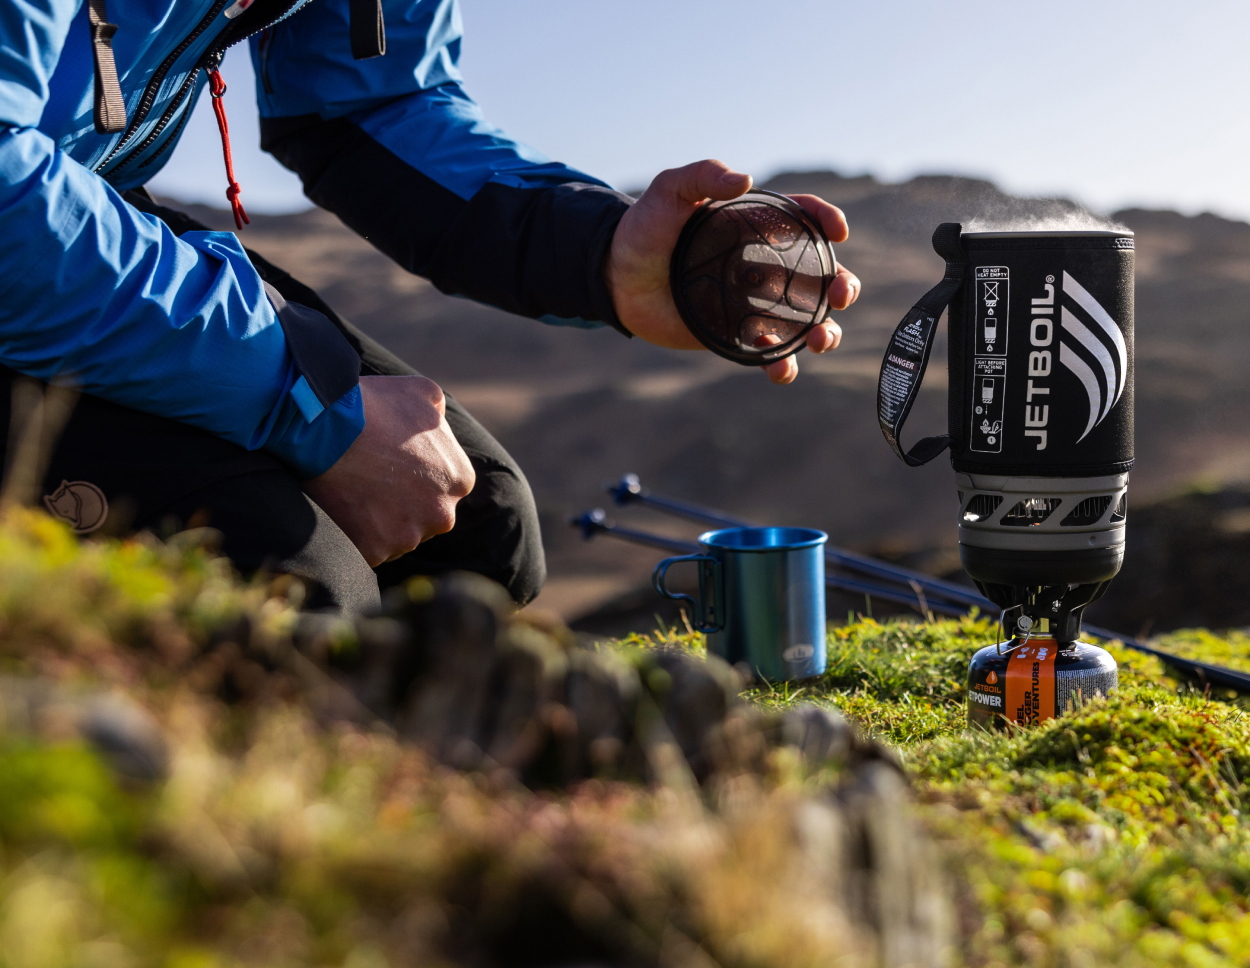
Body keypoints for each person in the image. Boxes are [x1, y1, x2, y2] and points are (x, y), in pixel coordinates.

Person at [0, 0, 859, 613]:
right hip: (23, 215)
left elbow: (366, 102)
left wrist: (605, 255)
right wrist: (308, 404)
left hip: (78, 206)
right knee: (293, 592)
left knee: (477, 534)